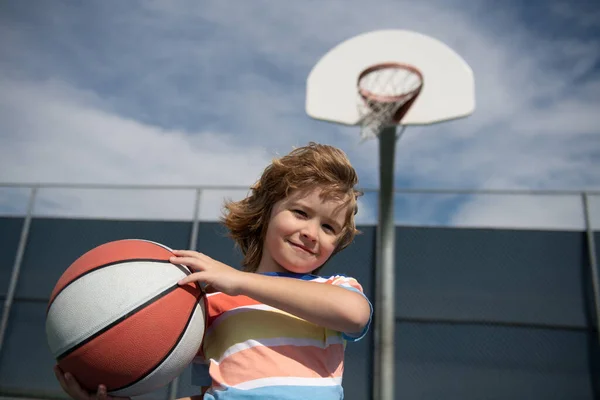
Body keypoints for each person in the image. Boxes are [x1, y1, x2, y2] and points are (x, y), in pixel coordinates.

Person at [55, 142, 372, 399]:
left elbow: (354, 314)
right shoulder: (210, 307)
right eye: (301, 212)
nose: (311, 232)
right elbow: (213, 391)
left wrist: (240, 282)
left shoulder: (334, 288)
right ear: (266, 213)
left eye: (329, 226)